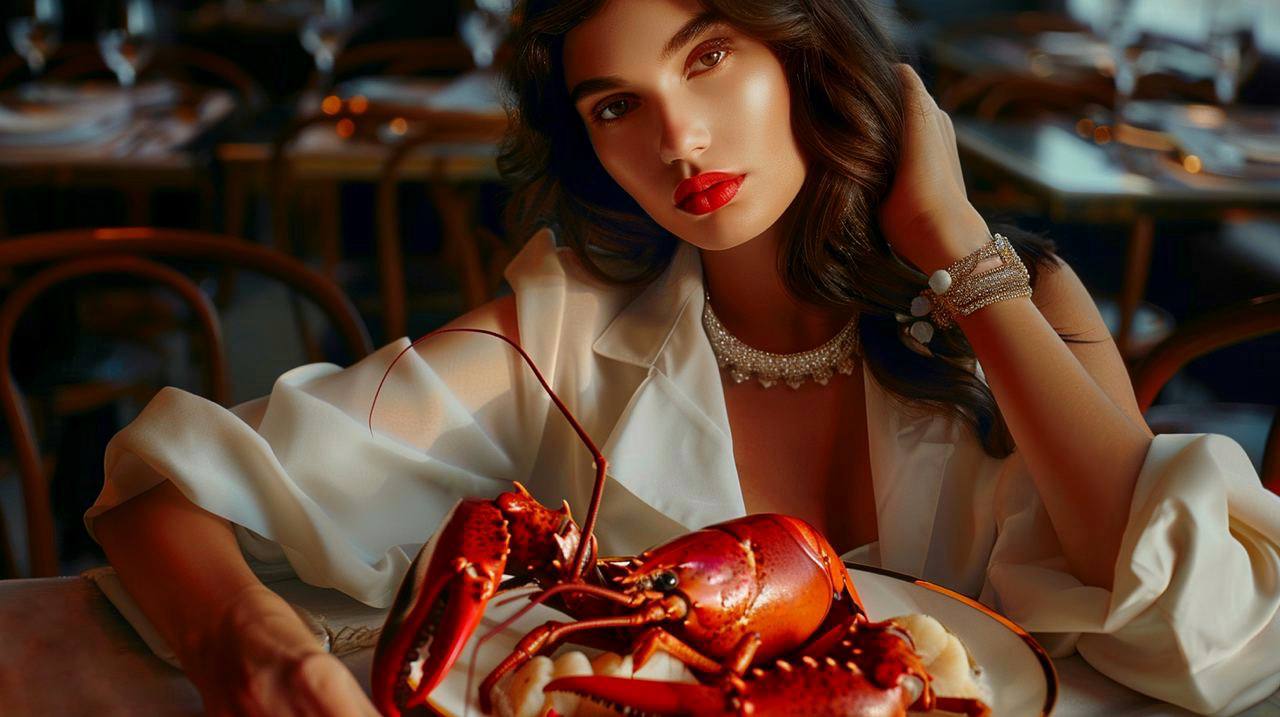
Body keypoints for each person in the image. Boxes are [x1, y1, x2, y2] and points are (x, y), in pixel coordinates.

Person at [88, 0, 1280, 715]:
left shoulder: (1011, 304)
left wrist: (952, 245)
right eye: (615, 106)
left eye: (708, 57)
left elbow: (1213, 635)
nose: (677, 139)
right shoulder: (558, 335)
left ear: (801, 51)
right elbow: (167, 492)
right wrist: (249, 643)